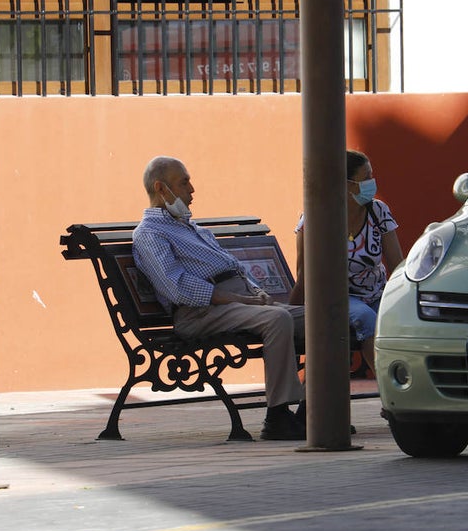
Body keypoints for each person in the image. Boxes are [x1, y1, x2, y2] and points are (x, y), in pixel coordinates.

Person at [131, 156, 306, 441]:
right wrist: (240, 299)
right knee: (277, 319)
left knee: (322, 318)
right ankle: (277, 417)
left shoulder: (191, 228)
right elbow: (178, 287)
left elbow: (233, 267)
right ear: (161, 188)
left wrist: (255, 292)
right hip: (199, 312)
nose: (192, 189)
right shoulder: (150, 233)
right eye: (184, 182)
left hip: (236, 303)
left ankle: (312, 411)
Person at [289, 150, 404, 373]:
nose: (372, 183)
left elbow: (397, 264)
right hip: (336, 296)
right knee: (367, 318)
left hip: (376, 292)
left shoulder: (378, 211)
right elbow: (304, 275)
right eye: (366, 177)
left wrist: (405, 299)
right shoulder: (316, 218)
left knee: (399, 318)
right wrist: (291, 315)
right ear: (347, 185)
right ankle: (388, 383)